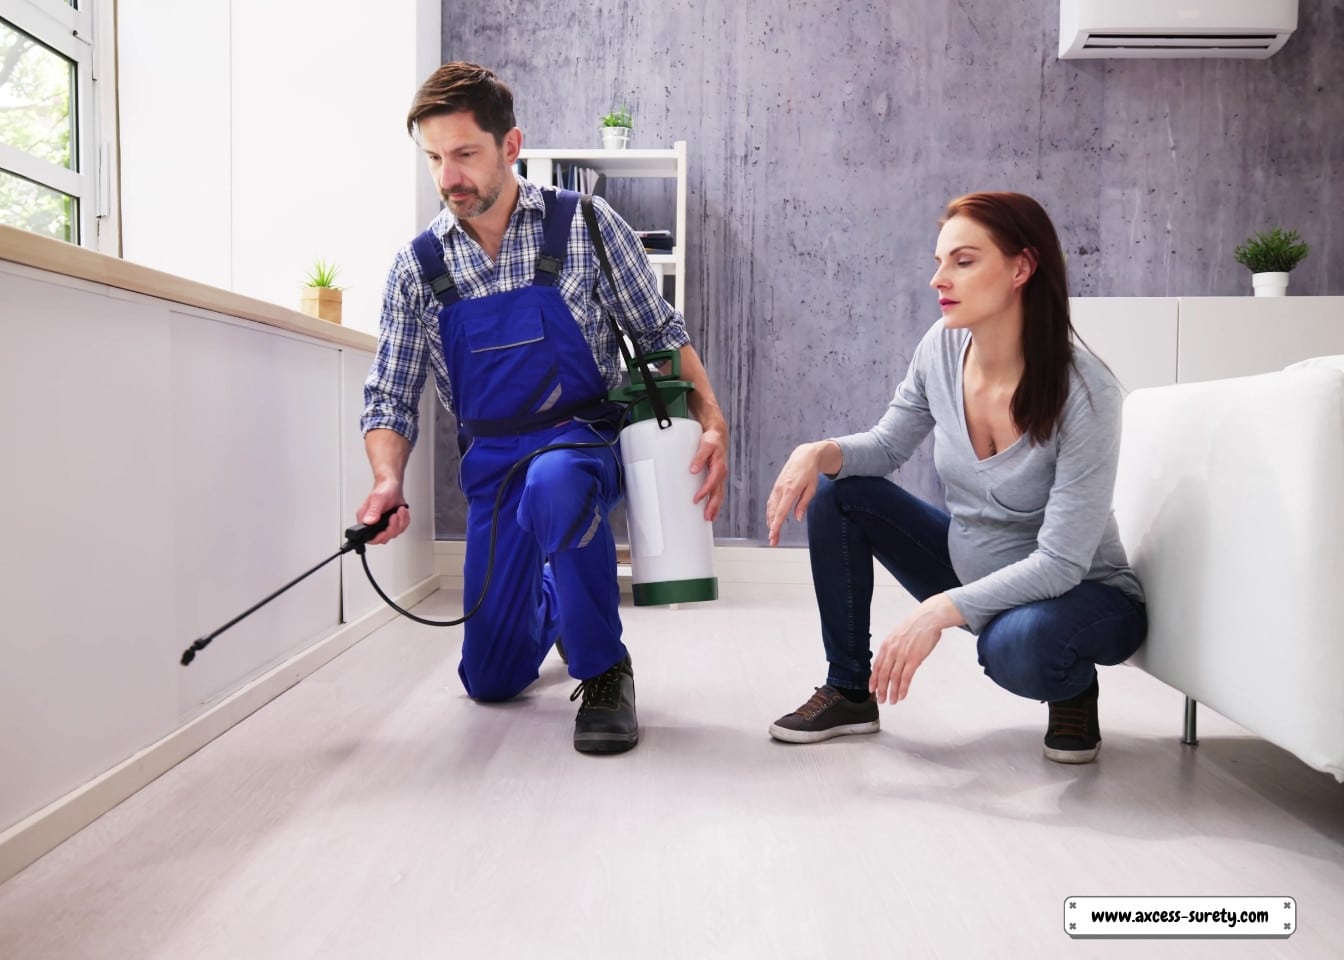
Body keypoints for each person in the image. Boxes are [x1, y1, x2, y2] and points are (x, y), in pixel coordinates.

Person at [356, 62, 729, 755]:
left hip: (580, 440)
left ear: (510, 145)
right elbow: (390, 393)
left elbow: (661, 333)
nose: (449, 176)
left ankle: (604, 668)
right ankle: (559, 595)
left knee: (556, 486)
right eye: (435, 158)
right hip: (492, 462)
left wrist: (713, 419)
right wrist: (386, 480)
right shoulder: (417, 266)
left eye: (465, 153)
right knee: (491, 680)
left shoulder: (585, 223)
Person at [763, 191, 1146, 764]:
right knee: (840, 496)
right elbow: (888, 446)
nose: (940, 278)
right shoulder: (940, 349)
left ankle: (1072, 685)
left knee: (1016, 648)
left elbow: (1063, 562)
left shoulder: (1085, 392)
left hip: (1083, 595)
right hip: (974, 568)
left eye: (963, 261)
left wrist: (937, 610)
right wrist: (817, 452)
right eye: (939, 262)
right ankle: (848, 689)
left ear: (1021, 267)